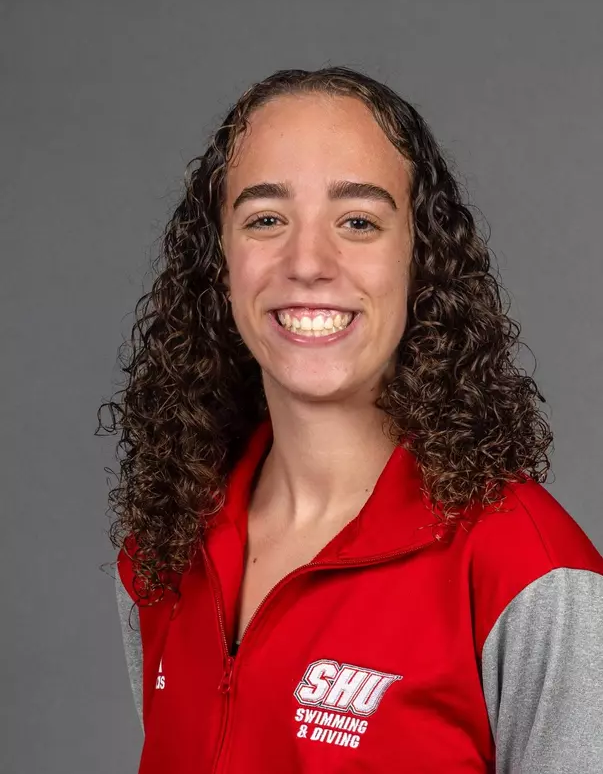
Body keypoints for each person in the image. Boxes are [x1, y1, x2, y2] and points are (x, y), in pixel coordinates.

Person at [100, 67, 603, 773]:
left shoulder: (527, 570)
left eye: (358, 222)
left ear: (419, 260)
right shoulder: (162, 546)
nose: (307, 262)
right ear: (220, 262)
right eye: (265, 219)